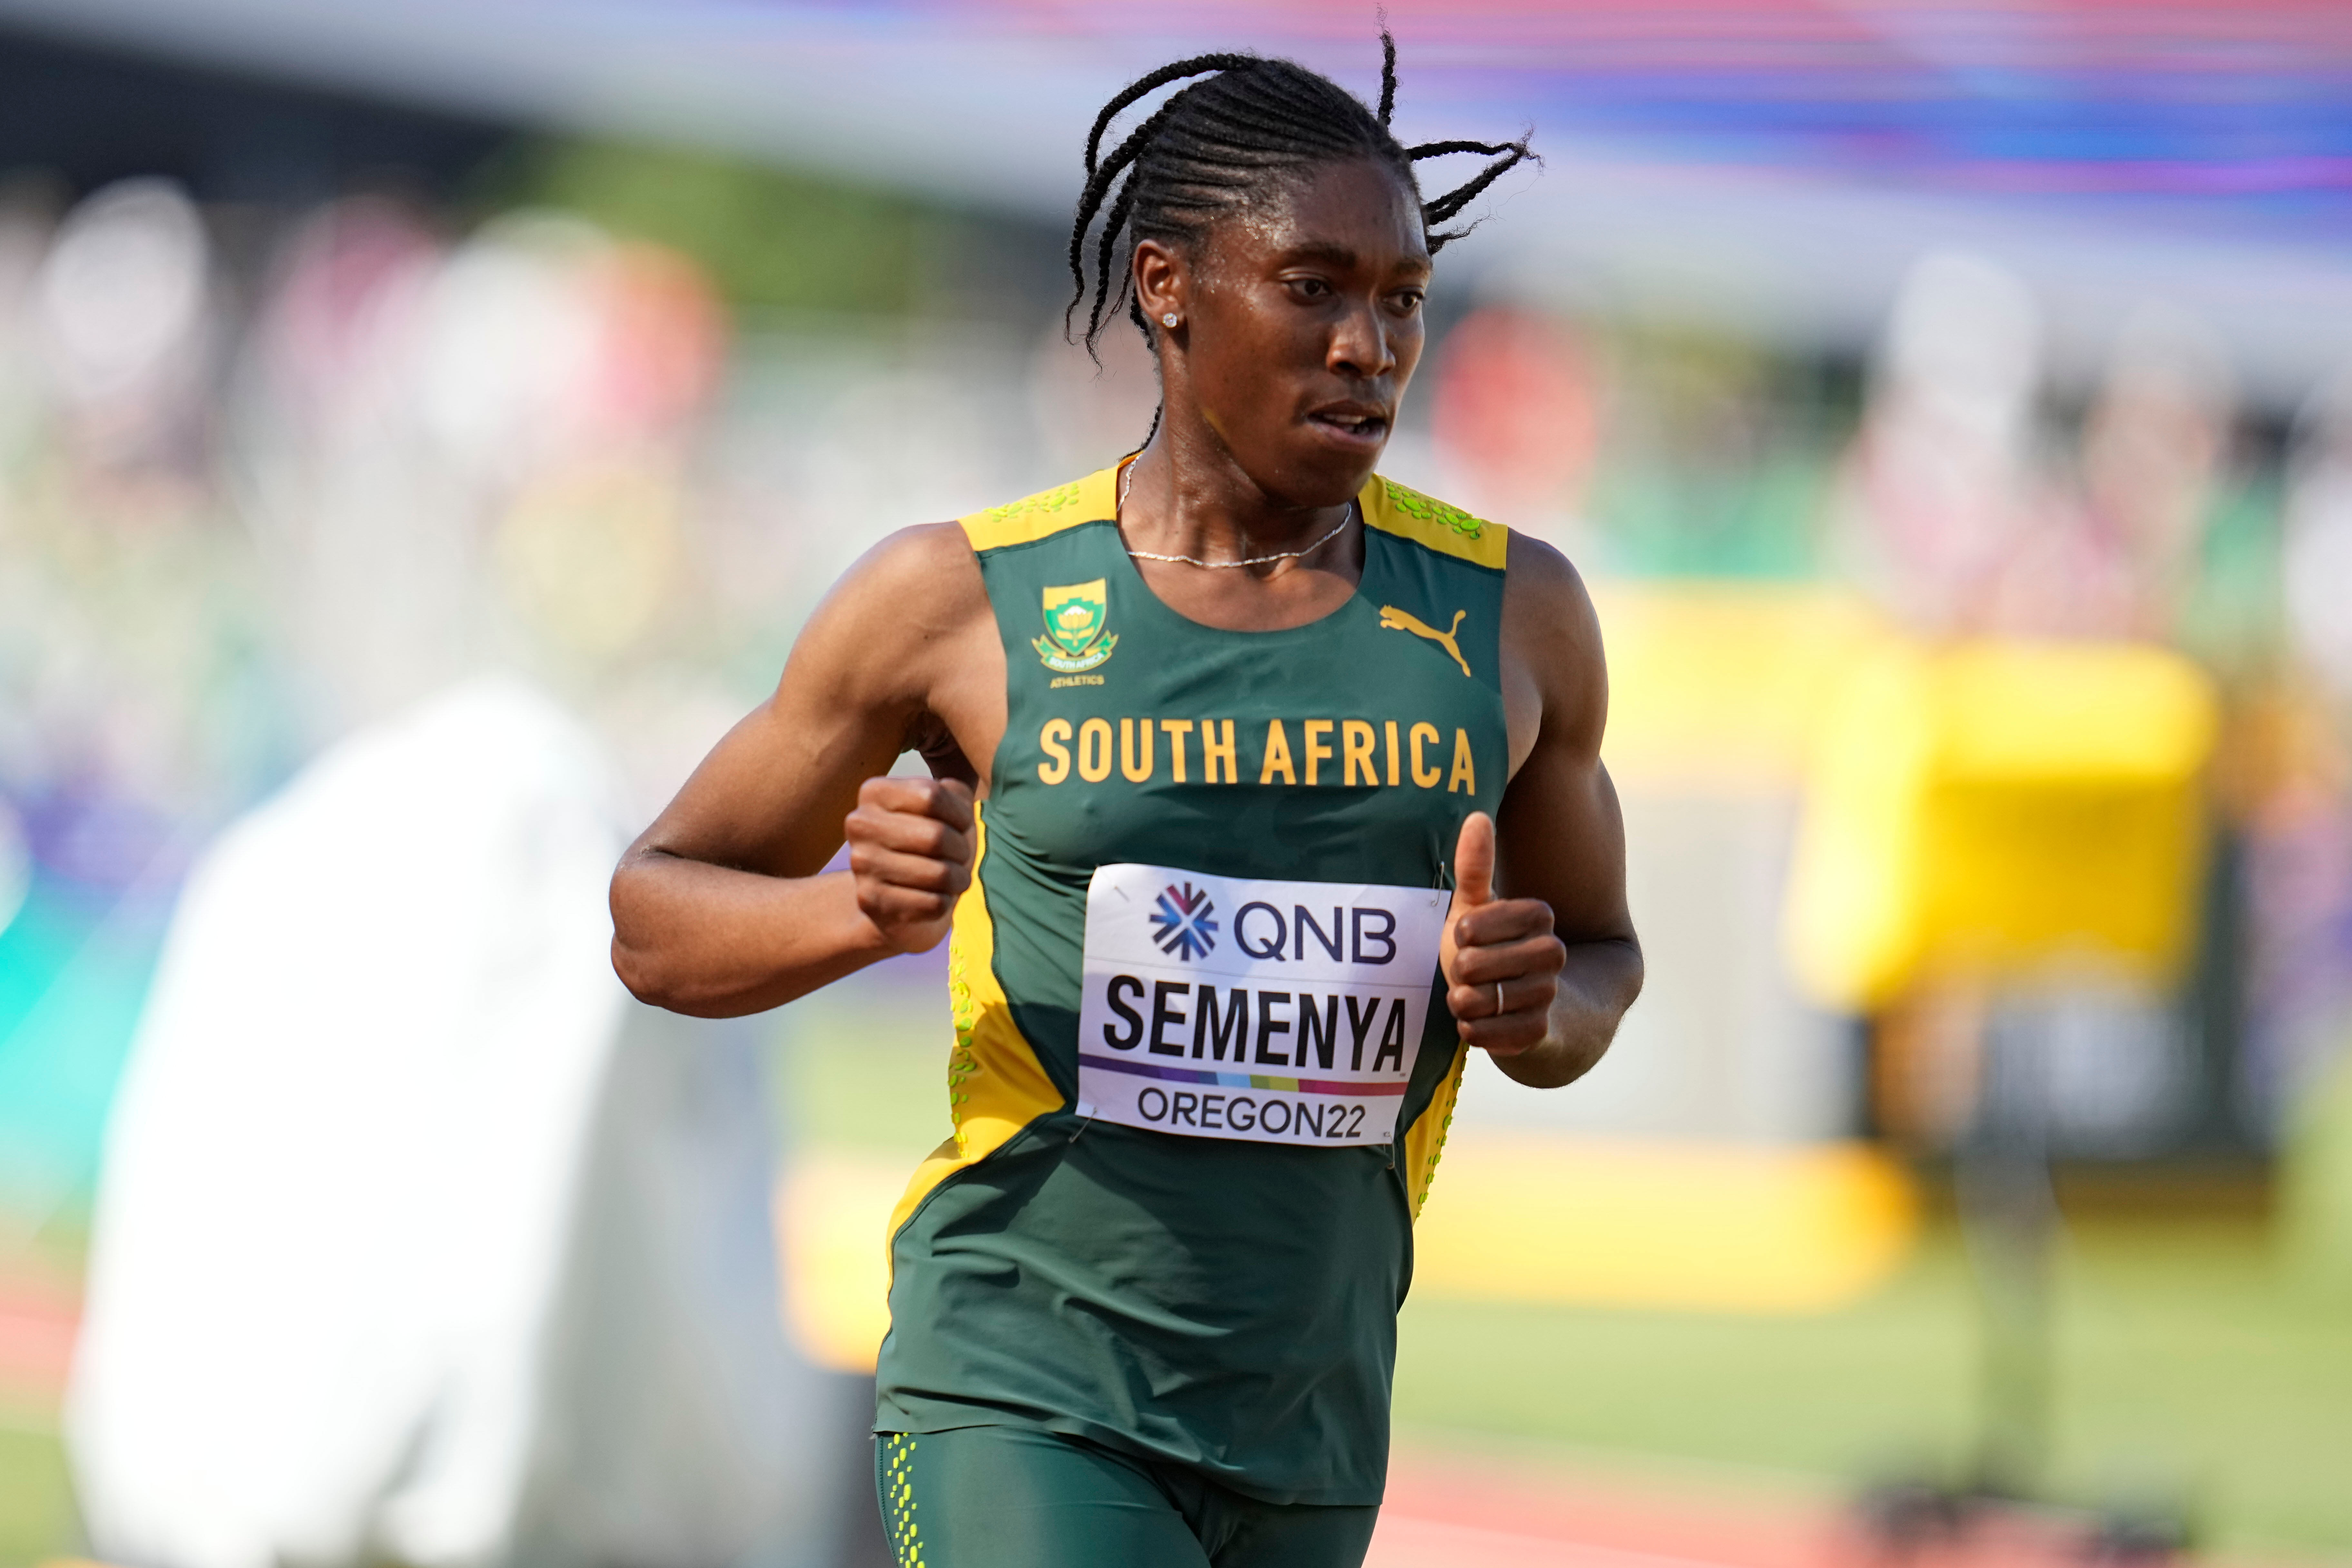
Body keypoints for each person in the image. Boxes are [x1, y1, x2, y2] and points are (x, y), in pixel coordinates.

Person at [610, 34, 1641, 1568]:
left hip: (1312, 1412)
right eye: (1313, 288)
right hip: (1021, 1383)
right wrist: (854, 910)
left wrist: (1533, 1006)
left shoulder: (1516, 617)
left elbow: (1602, 957)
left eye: (1403, 301)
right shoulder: (953, 602)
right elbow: (652, 914)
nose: (1369, 345)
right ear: (1166, 286)